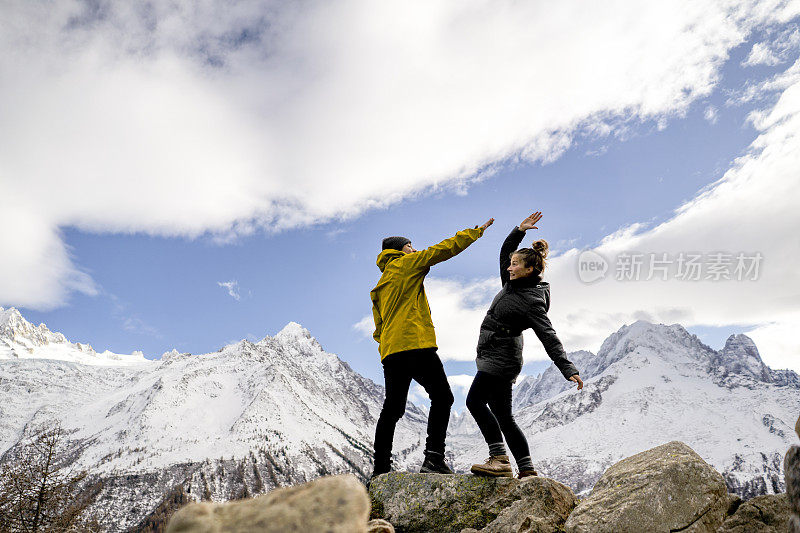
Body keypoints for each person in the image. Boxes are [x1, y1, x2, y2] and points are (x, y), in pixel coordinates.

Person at [370, 218, 495, 478]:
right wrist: (475, 233)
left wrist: (389, 345)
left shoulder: (381, 284)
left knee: (392, 409)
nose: (415, 250)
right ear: (401, 249)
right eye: (410, 246)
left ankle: (380, 470)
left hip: (391, 352)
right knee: (443, 397)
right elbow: (441, 250)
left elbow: (378, 328)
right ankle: (434, 458)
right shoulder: (406, 264)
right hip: (415, 344)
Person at [467, 211, 583, 479]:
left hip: (501, 357)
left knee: (474, 401)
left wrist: (567, 368)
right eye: (511, 264)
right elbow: (505, 253)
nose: (509, 267)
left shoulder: (532, 300)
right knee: (503, 416)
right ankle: (528, 469)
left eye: (516, 264)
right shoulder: (511, 283)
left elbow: (548, 335)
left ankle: (499, 458)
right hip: (496, 353)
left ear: (530, 269)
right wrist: (519, 230)